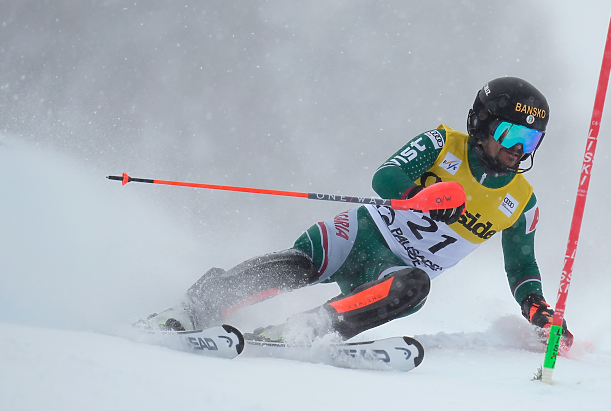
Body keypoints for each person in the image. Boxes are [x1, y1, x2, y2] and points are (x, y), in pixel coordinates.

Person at [144, 76, 573, 351]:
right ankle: (197, 306)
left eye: (531, 142)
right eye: (510, 134)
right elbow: (385, 176)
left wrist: (536, 308)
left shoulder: (521, 200)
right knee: (300, 265)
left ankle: (307, 329)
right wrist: (417, 193)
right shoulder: (443, 142)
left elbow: (522, 264)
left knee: (414, 287)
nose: (518, 150)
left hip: (393, 274)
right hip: (361, 234)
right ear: (482, 125)